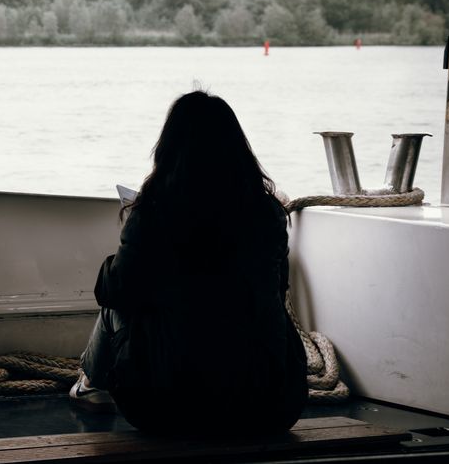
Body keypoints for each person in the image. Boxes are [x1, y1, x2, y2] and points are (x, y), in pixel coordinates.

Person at [69, 91, 307, 435]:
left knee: (118, 308)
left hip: (168, 409)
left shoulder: (153, 212)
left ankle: (92, 385)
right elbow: (276, 288)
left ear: (168, 149)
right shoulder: (267, 213)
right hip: (270, 407)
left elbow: (113, 291)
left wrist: (121, 257)